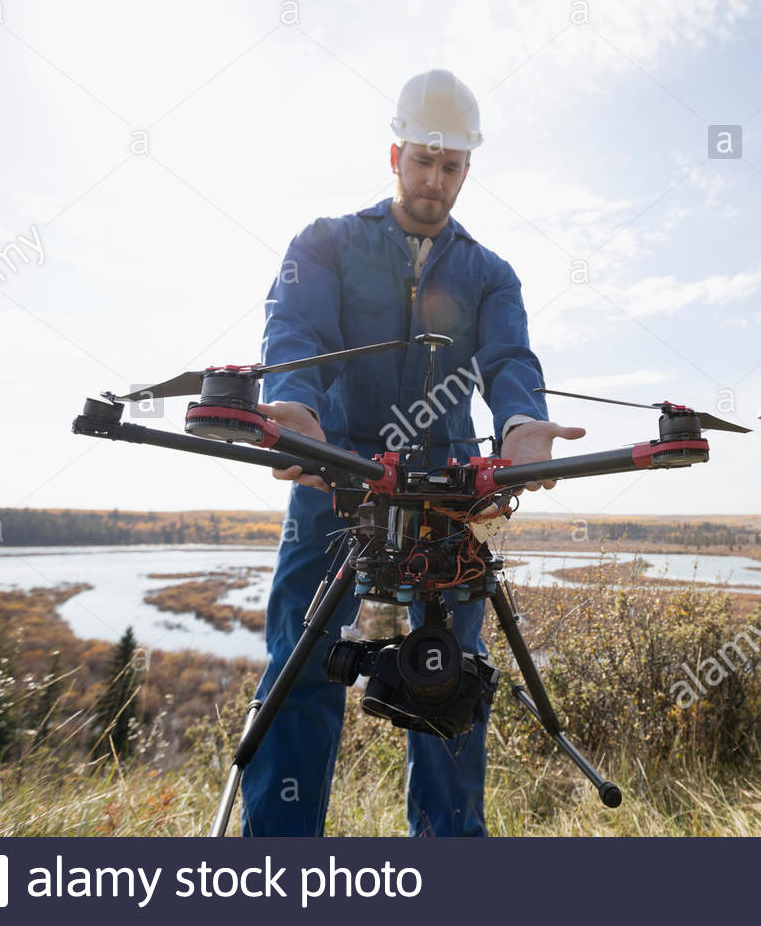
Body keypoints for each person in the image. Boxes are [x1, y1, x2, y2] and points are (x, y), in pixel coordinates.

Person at [241, 69, 584, 837]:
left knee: (449, 681)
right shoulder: (325, 243)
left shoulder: (491, 273)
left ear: (469, 169)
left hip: (449, 490)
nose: (435, 181)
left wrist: (524, 426)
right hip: (336, 479)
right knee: (299, 669)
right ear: (394, 155)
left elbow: (510, 363)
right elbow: (296, 332)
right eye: (423, 160)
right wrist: (292, 401)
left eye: (452, 166)